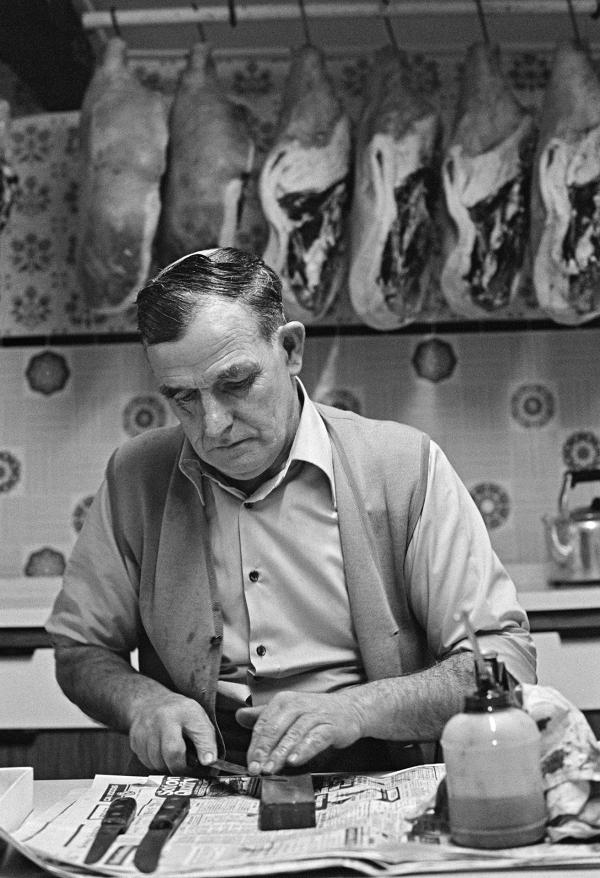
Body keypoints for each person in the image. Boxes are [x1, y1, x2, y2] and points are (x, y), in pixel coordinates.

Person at [47, 247, 536, 777]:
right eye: (182, 397)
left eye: (235, 383)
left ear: (291, 349)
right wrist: (142, 701)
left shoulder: (405, 467)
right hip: (203, 780)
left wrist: (357, 708)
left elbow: (503, 663)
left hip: (377, 767)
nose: (213, 425)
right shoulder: (135, 474)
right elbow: (81, 652)